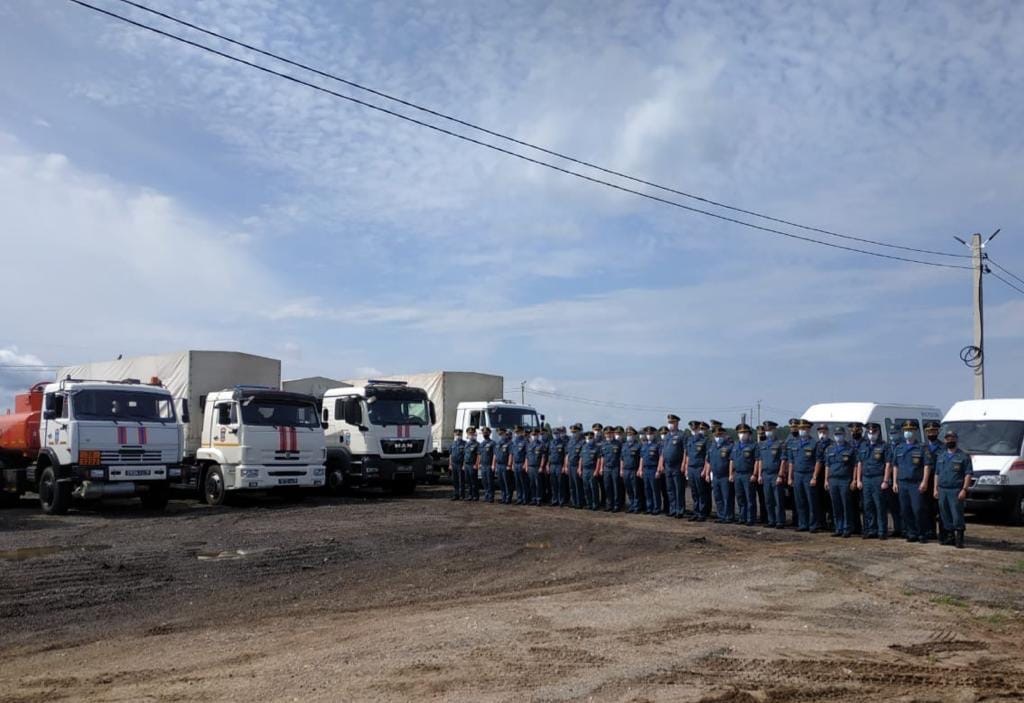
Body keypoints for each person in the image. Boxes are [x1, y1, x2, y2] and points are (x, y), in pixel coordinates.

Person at [890, 420, 930, 543]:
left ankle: (922, 533)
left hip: (916, 483)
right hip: (902, 483)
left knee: (918, 509)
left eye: (911, 430)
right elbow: (895, 466)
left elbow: (927, 466)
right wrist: (895, 482)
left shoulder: (922, 448)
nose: (908, 433)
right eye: (906, 430)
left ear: (915, 431)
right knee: (905, 509)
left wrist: (924, 482)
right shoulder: (899, 448)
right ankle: (911, 533)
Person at [932, 429, 972, 548]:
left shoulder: (963, 456)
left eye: (952, 438)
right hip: (942, 489)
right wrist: (935, 488)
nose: (950, 440)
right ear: (945, 440)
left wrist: (964, 489)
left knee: (957, 514)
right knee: (945, 514)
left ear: (956, 439)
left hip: (955, 490)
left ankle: (959, 539)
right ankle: (950, 537)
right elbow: (937, 474)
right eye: (947, 438)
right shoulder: (941, 456)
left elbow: (968, 474)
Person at [855, 422, 889, 539]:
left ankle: (882, 531)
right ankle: (870, 530)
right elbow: (860, 463)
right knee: (867, 506)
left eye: (873, 432)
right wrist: (859, 480)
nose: (871, 434)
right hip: (866, 479)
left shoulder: (883, 446)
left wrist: (885, 480)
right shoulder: (863, 446)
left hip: (878, 478)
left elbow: (888, 464)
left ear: (878, 433)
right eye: (869, 432)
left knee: (879, 506)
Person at [823, 426, 857, 537]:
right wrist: (826, 480)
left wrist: (854, 480)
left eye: (840, 434)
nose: (838, 436)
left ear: (844, 435)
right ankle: (838, 527)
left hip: (845, 480)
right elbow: (827, 465)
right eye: (836, 434)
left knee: (846, 505)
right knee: (836, 505)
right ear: (834, 436)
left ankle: (847, 528)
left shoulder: (850, 448)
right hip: (833, 480)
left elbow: (855, 466)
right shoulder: (830, 449)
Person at [788, 420, 820, 532]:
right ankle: (803, 524)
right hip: (797, 475)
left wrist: (814, 477)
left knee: (811, 501)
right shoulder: (794, 443)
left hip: (808, 475)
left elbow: (818, 461)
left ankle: (813, 525)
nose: (802, 431)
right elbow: (791, 461)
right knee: (800, 501)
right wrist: (790, 477)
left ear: (808, 430)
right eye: (800, 429)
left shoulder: (814, 443)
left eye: (804, 429)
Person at [755, 420, 786, 528]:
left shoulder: (780, 444)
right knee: (768, 500)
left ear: (774, 430)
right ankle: (771, 520)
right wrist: (759, 474)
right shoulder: (762, 444)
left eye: (770, 430)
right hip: (765, 475)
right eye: (766, 430)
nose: (768, 432)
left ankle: (780, 521)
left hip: (775, 475)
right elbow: (760, 460)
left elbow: (783, 460)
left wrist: (780, 475)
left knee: (778, 500)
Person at [730, 423, 757, 526]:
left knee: (750, 497)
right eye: (740, 433)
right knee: (740, 497)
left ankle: (751, 518)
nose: (742, 434)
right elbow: (732, 460)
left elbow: (757, 461)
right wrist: (731, 473)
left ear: (749, 434)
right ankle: (742, 517)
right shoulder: (735, 446)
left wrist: (754, 474)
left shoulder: (753, 445)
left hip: (748, 474)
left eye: (744, 432)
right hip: (737, 474)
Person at [706, 425, 733, 523]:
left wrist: (731, 474)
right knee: (718, 497)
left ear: (724, 435)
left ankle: (728, 516)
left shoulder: (729, 446)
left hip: (725, 476)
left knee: (726, 497)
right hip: (715, 476)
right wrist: (707, 474)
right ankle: (721, 515)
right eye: (716, 435)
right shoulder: (712, 446)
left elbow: (731, 461)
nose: (718, 437)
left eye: (720, 435)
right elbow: (708, 461)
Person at [922, 420, 943, 542]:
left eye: (934, 431)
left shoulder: (943, 447)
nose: (931, 433)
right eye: (929, 431)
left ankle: (943, 533)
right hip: (926, 480)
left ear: (938, 432)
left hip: (939, 480)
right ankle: (930, 531)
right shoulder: (922, 447)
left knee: (939, 509)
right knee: (926, 507)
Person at [685, 421, 711, 522]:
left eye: (698, 429)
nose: (696, 431)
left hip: (699, 467)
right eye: (695, 429)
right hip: (691, 468)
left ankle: (702, 512)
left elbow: (707, 457)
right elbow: (688, 455)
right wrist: (687, 468)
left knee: (701, 491)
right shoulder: (690, 440)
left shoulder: (705, 440)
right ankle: (695, 512)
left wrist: (705, 469)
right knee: (694, 492)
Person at [814, 423, 834, 532]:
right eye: (820, 432)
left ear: (828, 432)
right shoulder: (816, 444)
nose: (822, 434)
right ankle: (820, 522)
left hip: (828, 476)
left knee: (829, 501)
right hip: (818, 476)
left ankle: (831, 522)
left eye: (824, 431)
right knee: (818, 500)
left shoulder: (832, 444)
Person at [598, 427, 622, 512]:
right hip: (606, 468)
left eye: (610, 433)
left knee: (616, 487)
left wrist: (621, 469)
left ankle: (616, 505)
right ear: (605, 434)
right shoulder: (603, 444)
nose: (608, 435)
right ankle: (609, 505)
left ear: (613, 433)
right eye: (607, 433)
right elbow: (602, 457)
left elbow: (621, 458)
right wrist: (601, 468)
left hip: (615, 468)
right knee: (607, 487)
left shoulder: (618, 444)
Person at [639, 427, 662, 515]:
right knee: (647, 489)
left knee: (655, 490)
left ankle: (657, 508)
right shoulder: (644, 445)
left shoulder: (657, 445)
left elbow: (660, 457)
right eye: (647, 434)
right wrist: (640, 469)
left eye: (650, 434)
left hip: (653, 469)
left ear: (654, 434)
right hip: (645, 469)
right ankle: (649, 507)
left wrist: (658, 470)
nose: (649, 436)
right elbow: (641, 458)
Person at [621, 426, 643, 513]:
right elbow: (621, 459)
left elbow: (641, 458)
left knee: (636, 489)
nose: (629, 435)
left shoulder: (638, 445)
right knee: (629, 489)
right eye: (628, 434)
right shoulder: (624, 445)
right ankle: (631, 505)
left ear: (634, 435)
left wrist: (639, 469)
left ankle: (637, 506)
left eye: (631, 434)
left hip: (634, 470)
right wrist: (621, 469)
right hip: (626, 470)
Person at [580, 430, 601, 511]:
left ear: (593, 438)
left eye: (590, 438)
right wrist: (579, 468)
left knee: (594, 488)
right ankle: (589, 504)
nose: (589, 439)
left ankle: (595, 504)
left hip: (592, 470)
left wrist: (597, 470)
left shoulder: (596, 448)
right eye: (587, 438)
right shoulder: (584, 447)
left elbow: (599, 459)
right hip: (585, 470)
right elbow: (581, 458)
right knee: (586, 488)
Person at [547, 426, 568, 507]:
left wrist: (564, 466)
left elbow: (566, 455)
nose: (556, 435)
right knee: (553, 484)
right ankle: (554, 500)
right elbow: (549, 455)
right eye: (554, 433)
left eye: (557, 433)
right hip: (552, 465)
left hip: (559, 465)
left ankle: (561, 500)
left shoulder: (563, 443)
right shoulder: (551, 442)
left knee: (560, 484)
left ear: (560, 434)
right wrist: (547, 465)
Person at [526, 428, 547, 507]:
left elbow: (543, 457)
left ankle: (539, 499)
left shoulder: (541, 444)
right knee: (532, 484)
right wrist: (526, 465)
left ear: (538, 435)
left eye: (535, 435)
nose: (534, 436)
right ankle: (533, 498)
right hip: (530, 466)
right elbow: (527, 457)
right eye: (533, 435)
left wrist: (541, 466)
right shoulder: (529, 445)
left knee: (538, 484)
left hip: (537, 466)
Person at [566, 424, 584, 508]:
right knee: (571, 485)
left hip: (577, 466)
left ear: (579, 432)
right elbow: (567, 454)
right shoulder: (570, 441)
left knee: (578, 485)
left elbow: (581, 457)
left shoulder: (582, 442)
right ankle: (573, 501)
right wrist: (566, 466)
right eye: (572, 432)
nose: (574, 433)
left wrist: (580, 468)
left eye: (575, 432)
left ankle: (579, 502)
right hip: (570, 465)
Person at [510, 426, 530, 505]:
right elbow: (513, 454)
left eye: (518, 432)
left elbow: (527, 454)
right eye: (516, 432)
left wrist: (525, 464)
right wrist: (512, 464)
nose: (517, 433)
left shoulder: (525, 441)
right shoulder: (514, 442)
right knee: (517, 482)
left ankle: (525, 498)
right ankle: (519, 498)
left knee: (523, 482)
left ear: (522, 432)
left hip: (522, 463)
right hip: (516, 464)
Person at [495, 428, 514, 504]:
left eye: (502, 434)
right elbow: (496, 455)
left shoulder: (509, 443)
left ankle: (508, 498)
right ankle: (503, 497)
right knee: (501, 482)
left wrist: (509, 464)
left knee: (507, 482)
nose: (501, 435)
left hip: (505, 465)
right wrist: (495, 464)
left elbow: (510, 455)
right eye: (499, 434)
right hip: (499, 465)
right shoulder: (498, 443)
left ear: (505, 434)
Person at [478, 427, 496, 503]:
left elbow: (495, 455)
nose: (485, 434)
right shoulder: (481, 444)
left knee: (490, 481)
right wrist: (479, 463)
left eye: (486, 433)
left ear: (489, 433)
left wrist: (493, 464)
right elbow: (479, 455)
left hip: (489, 465)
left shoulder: (493, 443)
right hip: (483, 465)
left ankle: (491, 497)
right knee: (484, 481)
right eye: (484, 433)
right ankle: (486, 496)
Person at [463, 426, 480, 501]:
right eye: (469, 433)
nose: (470, 435)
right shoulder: (466, 444)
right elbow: (465, 455)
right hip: (466, 464)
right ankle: (470, 495)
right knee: (468, 481)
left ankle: (475, 495)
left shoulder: (477, 444)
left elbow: (479, 455)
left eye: (472, 433)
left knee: (474, 481)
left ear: (474, 434)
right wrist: (463, 465)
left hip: (472, 464)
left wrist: (476, 464)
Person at [449, 428, 466, 501]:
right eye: (456, 434)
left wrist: (464, 465)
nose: (458, 435)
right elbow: (450, 455)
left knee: (461, 480)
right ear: (454, 434)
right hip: (453, 464)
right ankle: (456, 494)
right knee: (454, 480)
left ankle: (462, 495)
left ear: (461, 434)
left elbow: (465, 455)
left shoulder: (464, 443)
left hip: (460, 464)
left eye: (459, 434)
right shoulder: (452, 444)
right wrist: (450, 464)